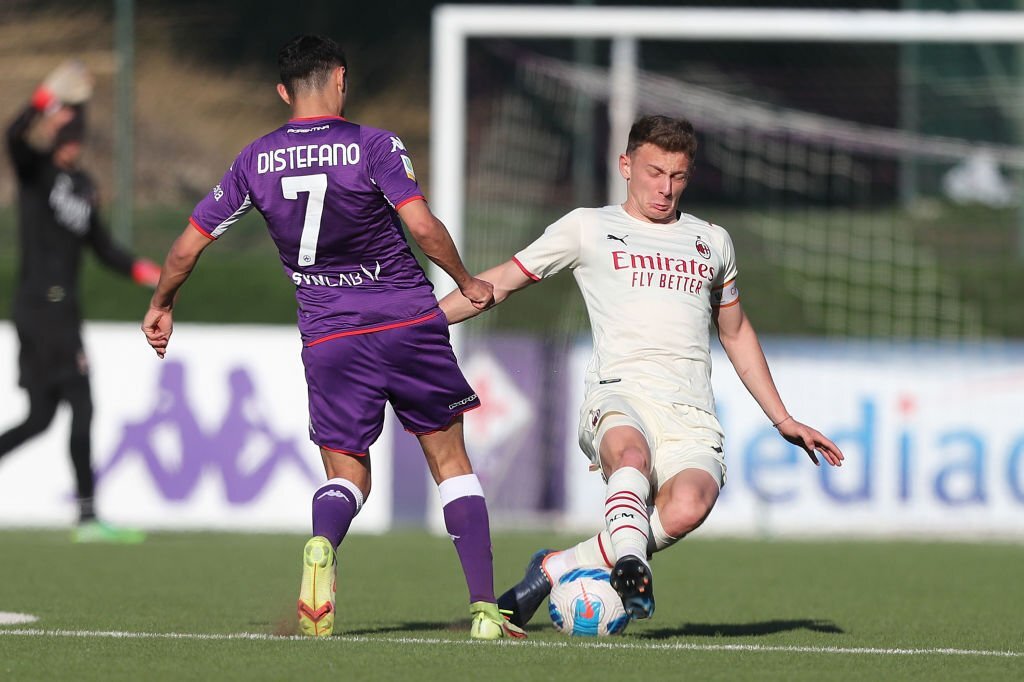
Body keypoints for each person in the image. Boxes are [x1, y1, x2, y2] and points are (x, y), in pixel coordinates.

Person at [141, 35, 522, 640]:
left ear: (282, 91)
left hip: (330, 335)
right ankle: (482, 611)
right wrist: (466, 281)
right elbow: (419, 223)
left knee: (346, 476)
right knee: (450, 463)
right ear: (340, 79)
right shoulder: (374, 144)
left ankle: (323, 543)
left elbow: (188, 245)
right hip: (406, 322)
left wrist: (162, 303)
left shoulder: (253, 159)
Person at [439, 114, 845, 629]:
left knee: (689, 506)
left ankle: (553, 568)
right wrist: (422, 321)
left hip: (691, 412)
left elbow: (736, 331)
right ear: (626, 165)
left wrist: (783, 418)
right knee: (630, 453)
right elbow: (498, 281)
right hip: (619, 392)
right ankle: (630, 562)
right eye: (655, 173)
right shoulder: (587, 227)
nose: (665, 188)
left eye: (677, 177)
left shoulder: (712, 242)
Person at [1, 60, 160, 544]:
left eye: (75, 136)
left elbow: (102, 246)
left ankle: (89, 515)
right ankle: (88, 517)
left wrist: (143, 271)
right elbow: (12, 135)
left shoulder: (85, 187)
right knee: (83, 403)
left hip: (58, 310)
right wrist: (44, 98)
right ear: (54, 136)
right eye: (63, 135)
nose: (69, 143)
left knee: (42, 418)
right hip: (42, 307)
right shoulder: (36, 172)